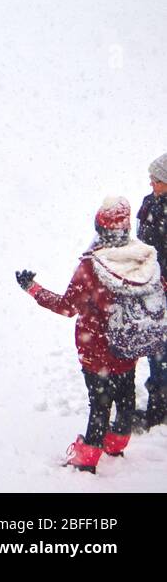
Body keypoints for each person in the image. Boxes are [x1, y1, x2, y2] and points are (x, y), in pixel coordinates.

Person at [16, 197, 162, 473]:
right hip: (128, 345)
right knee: (126, 397)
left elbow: (66, 307)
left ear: (100, 228)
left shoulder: (92, 268)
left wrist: (33, 288)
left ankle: (87, 459)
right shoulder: (144, 260)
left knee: (100, 404)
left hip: (97, 351)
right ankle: (117, 443)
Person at [138, 153, 167, 427]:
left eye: (157, 180)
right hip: (148, 285)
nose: (152, 184)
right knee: (154, 342)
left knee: (161, 346)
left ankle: (160, 407)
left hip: (162, 285)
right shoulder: (149, 202)